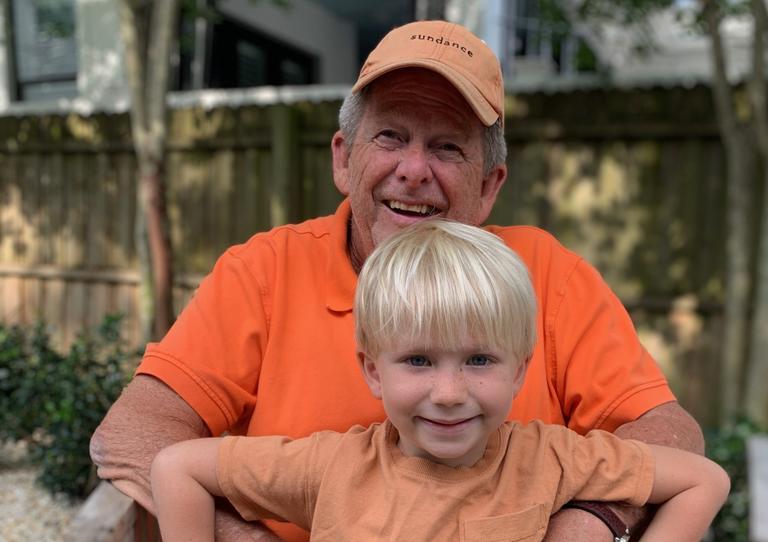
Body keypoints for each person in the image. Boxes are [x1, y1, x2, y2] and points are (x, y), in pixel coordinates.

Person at [91, 19, 705, 542]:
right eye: (390, 136)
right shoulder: (264, 272)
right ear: (342, 157)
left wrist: (592, 520)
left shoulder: (544, 274)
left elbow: (668, 434)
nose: (413, 171)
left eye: (447, 147)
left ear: (489, 186)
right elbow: (134, 434)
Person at [150, 220, 729, 542]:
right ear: (373, 370)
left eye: (479, 361)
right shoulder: (328, 468)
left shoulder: (551, 458)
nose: (449, 392)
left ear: (520, 367)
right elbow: (176, 468)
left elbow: (703, 481)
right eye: (419, 361)